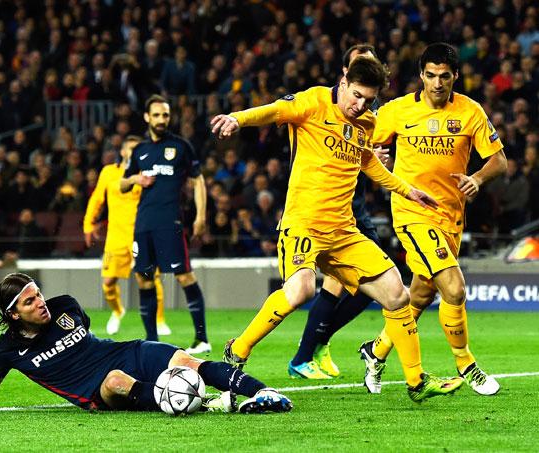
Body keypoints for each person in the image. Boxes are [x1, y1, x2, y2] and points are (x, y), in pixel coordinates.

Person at [210, 56, 463, 402]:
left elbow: (368, 162)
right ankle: (238, 349)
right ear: (343, 83)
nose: (360, 105)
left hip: (343, 231)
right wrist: (237, 119)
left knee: (397, 294)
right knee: (300, 291)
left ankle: (416, 381)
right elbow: (271, 111)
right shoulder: (313, 102)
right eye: (356, 95)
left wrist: (407, 189)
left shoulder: (366, 123)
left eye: (368, 100)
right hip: (304, 224)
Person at [0, 272, 292, 414]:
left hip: (121, 351)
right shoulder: (7, 351)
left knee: (184, 360)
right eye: (29, 301)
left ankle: (265, 393)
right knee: (117, 384)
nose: (40, 302)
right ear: (12, 315)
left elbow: (90, 338)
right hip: (95, 387)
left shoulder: (65, 308)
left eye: (38, 294)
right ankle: (209, 405)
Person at [360, 43, 507, 396]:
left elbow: (499, 161)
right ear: (421, 75)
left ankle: (375, 352)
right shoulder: (396, 111)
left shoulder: (470, 111)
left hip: (451, 216)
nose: (437, 83)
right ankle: (466, 363)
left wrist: (478, 178)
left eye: (444, 76)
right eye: (430, 75)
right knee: (454, 288)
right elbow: (362, 144)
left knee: (421, 295)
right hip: (412, 213)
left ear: (455, 76)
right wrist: (374, 152)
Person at [288, 44, 390, 380]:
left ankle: (316, 343)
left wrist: (376, 161)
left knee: (366, 287)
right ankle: (306, 353)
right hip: (326, 210)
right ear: (345, 75)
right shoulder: (323, 105)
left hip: (356, 204)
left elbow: (365, 156)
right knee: (336, 284)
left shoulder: (366, 115)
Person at [120, 95, 210, 355]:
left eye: (166, 115)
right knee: (144, 279)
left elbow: (198, 181)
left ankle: (202, 338)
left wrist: (200, 216)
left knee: (184, 276)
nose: (162, 120)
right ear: (147, 117)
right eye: (157, 115)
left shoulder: (181, 147)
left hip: (170, 222)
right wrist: (136, 178)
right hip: (143, 224)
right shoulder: (139, 151)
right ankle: (153, 340)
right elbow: (122, 184)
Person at [83, 136, 172, 336]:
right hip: (114, 237)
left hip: (142, 235)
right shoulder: (108, 172)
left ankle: (159, 320)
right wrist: (88, 224)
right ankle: (117, 311)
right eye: (131, 149)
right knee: (108, 282)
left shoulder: (149, 174)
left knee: (150, 277)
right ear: (122, 152)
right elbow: (97, 199)